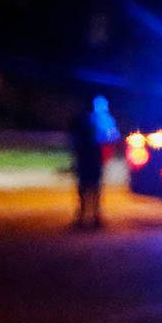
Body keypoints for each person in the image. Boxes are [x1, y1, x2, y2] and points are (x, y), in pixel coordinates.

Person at [67, 95, 111, 230]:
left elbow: (74, 140)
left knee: (86, 188)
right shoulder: (96, 121)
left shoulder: (84, 120)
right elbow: (106, 138)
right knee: (92, 188)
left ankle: (87, 216)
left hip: (87, 158)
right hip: (91, 158)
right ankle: (93, 217)